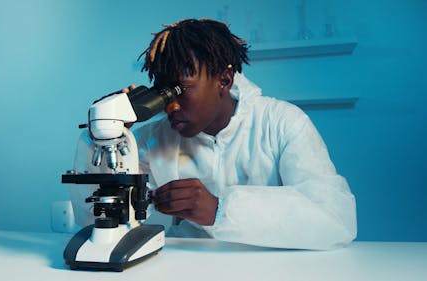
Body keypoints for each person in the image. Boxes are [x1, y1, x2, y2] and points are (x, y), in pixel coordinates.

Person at [73, 18, 357, 250]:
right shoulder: (151, 139)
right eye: (163, 91)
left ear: (224, 80)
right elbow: (94, 220)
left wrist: (220, 210)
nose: (170, 104)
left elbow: (336, 220)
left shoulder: (283, 123)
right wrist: (104, 134)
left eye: (180, 88)